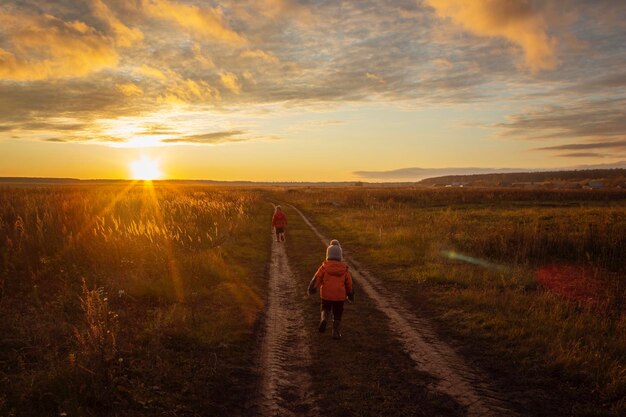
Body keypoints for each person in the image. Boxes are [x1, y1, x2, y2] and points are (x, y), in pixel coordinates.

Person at [307, 240, 354, 339]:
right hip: (339, 297)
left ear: (328, 254)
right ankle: (335, 332)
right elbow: (349, 283)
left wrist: (312, 288)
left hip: (326, 294)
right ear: (340, 255)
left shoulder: (324, 267)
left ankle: (324, 319)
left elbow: (317, 278)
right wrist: (350, 294)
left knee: (325, 308)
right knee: (338, 313)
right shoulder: (344, 269)